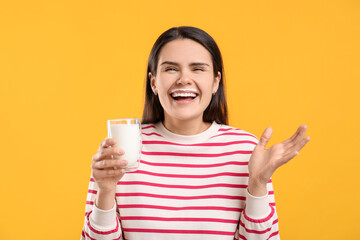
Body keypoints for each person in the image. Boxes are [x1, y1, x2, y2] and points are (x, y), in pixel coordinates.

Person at [81, 26, 310, 240]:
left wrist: (258, 184)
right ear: (153, 82)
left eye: (198, 68)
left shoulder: (245, 150)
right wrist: (105, 192)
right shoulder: (121, 149)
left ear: (215, 82)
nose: (184, 79)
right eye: (171, 69)